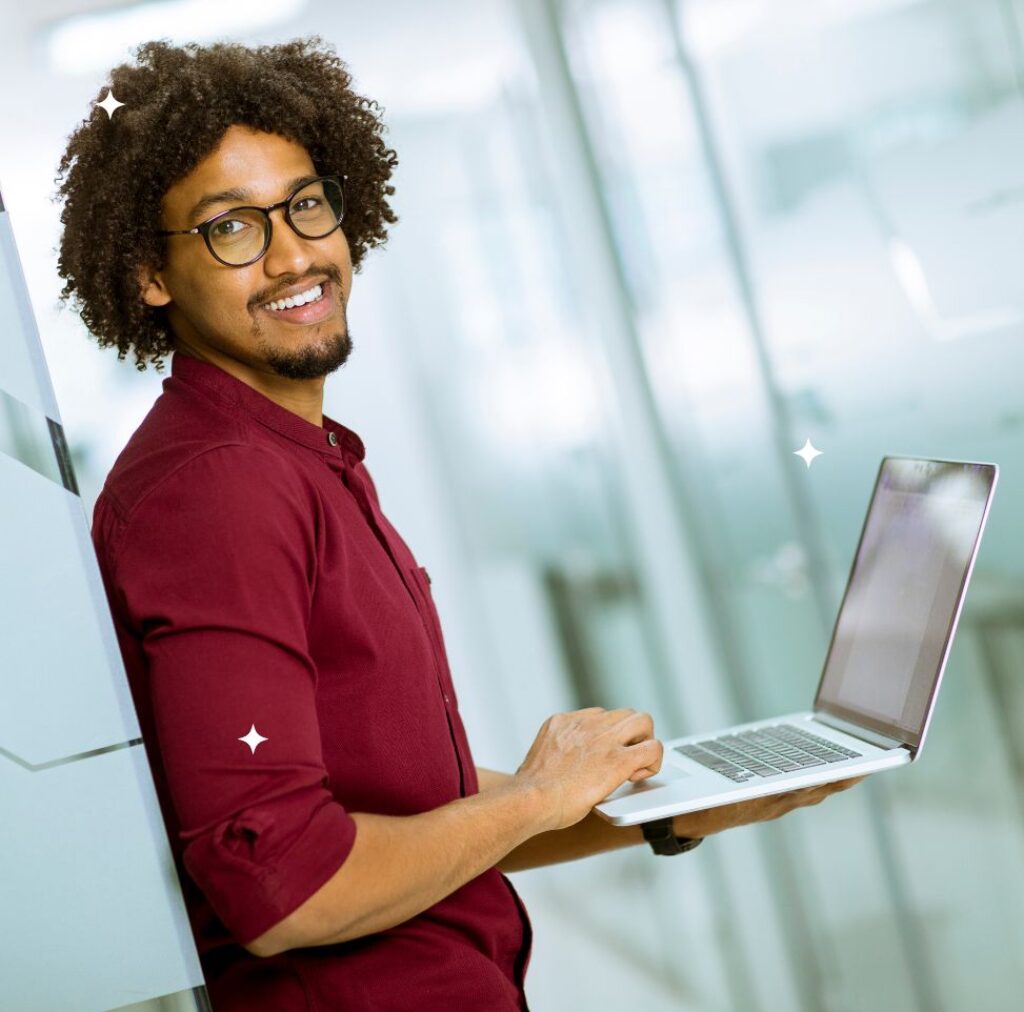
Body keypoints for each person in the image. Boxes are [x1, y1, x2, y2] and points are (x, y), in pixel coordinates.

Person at [57, 37, 862, 1012]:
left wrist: (669, 804)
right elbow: (283, 880)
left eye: (305, 203)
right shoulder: (219, 488)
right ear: (148, 274)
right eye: (232, 228)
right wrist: (533, 793)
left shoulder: (295, 458)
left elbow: (400, 801)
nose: (295, 253)